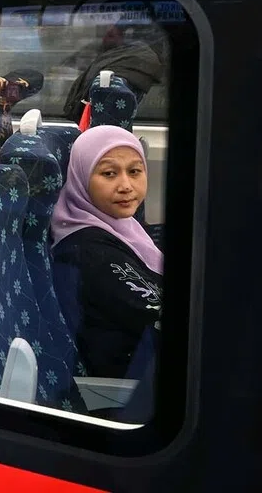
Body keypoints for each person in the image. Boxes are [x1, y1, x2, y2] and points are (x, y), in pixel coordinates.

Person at [50, 125, 163, 378]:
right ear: (80, 177)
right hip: (134, 385)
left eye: (135, 171)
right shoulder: (86, 252)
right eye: (109, 173)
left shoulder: (119, 223)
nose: (126, 185)